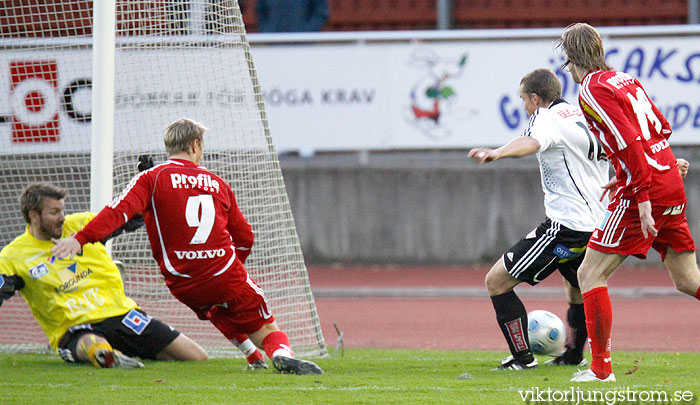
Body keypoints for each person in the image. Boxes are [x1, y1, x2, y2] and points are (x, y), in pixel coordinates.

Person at [52, 118, 324, 375]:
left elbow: (118, 211)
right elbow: (245, 237)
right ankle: (281, 355)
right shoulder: (217, 183)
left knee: (217, 309)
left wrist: (79, 238)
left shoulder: (151, 178)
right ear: (195, 145)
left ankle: (253, 358)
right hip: (223, 273)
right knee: (263, 325)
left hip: (182, 282)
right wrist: (234, 266)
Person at [557, 23, 700, 383]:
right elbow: (660, 127)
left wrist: (641, 196)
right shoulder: (624, 79)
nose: (569, 70)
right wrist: (658, 167)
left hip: (646, 189)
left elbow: (629, 142)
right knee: (687, 279)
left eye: (567, 62)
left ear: (573, 58)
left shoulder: (591, 89)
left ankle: (601, 369)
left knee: (589, 273)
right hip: (666, 177)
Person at [468, 68, 610, 371]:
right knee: (577, 285)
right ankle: (573, 354)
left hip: (567, 226)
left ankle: (523, 358)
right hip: (597, 223)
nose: (523, 107)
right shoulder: (581, 115)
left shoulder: (545, 118)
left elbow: (530, 143)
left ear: (535, 98)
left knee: (496, 281)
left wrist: (496, 154)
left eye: (524, 100)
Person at [0, 182, 209, 369]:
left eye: (63, 210)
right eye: (54, 212)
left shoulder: (81, 225)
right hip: (74, 327)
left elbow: (127, 217)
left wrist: (149, 187)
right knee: (91, 344)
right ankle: (106, 356)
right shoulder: (13, 256)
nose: (62, 218)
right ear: (34, 216)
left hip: (121, 315)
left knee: (197, 356)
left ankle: (119, 353)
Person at [255, 0, 329, 33]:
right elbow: (261, 10)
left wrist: (306, 32)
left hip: (304, 47)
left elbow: (320, 13)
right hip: (274, 44)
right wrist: (268, 30)